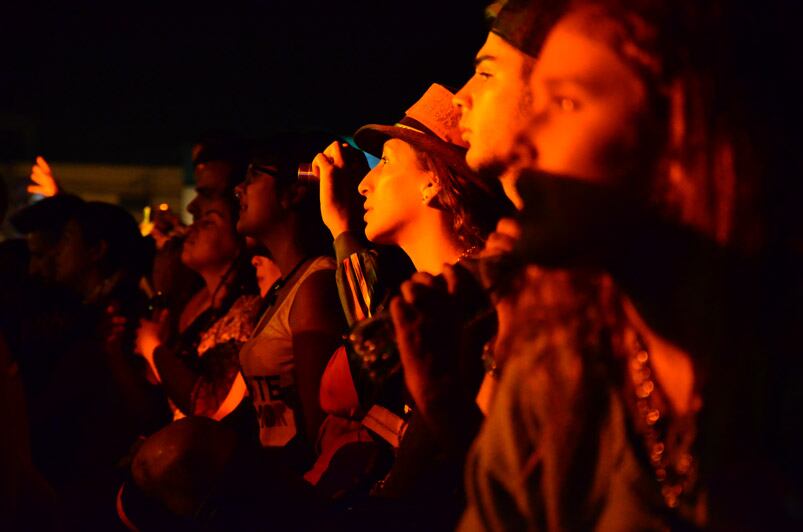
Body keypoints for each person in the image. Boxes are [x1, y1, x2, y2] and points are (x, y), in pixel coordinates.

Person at [390, 0, 794, 529]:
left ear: (677, 132)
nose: (524, 139)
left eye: (564, 102)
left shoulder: (780, 372)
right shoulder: (553, 368)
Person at [311, 84, 514, 527]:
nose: (364, 183)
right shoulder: (444, 292)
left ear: (431, 182)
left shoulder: (482, 306)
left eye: (384, 163)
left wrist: (343, 229)